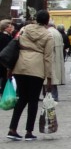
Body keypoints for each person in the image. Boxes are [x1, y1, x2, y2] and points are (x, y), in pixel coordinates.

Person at [6, 9, 56, 141]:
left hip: (20, 67)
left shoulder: (24, 29)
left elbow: (15, 46)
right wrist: (49, 78)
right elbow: (48, 57)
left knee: (22, 98)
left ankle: (12, 129)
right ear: (47, 21)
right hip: (36, 69)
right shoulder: (48, 35)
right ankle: (29, 132)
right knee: (33, 100)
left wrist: (10, 69)